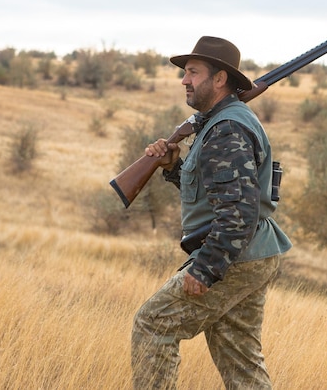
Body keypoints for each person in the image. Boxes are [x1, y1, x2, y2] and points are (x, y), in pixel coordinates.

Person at [130, 36, 292, 389]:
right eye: (185, 73)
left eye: (192, 72)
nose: (184, 80)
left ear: (220, 79)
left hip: (234, 255)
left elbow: (238, 211)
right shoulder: (219, 123)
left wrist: (206, 269)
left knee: (154, 324)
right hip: (253, 253)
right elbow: (217, 195)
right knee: (241, 359)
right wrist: (174, 167)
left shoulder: (226, 128)